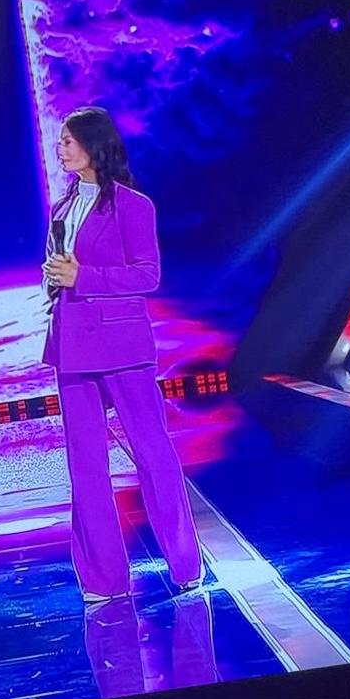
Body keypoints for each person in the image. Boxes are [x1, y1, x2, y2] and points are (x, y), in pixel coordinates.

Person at [42, 106, 203, 604]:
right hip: (72, 348)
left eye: (69, 141)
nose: (61, 148)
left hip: (122, 347)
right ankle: (103, 578)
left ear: (94, 146)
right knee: (86, 465)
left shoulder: (133, 206)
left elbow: (147, 274)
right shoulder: (62, 208)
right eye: (60, 141)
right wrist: (54, 280)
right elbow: (61, 269)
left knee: (153, 452)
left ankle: (185, 563)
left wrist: (83, 277)